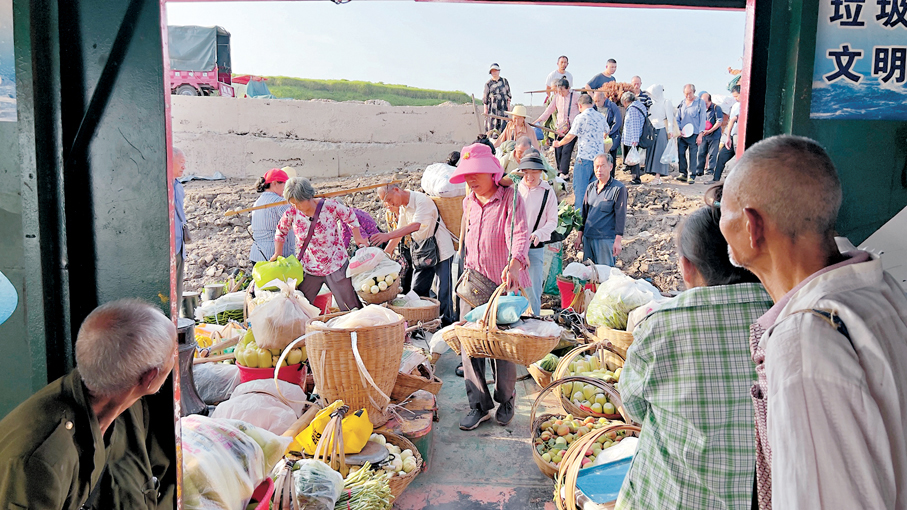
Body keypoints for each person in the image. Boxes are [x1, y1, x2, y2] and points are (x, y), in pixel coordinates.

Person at [719, 135, 907, 509]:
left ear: (752, 226)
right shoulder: (881, 289)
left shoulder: (803, 343)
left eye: (722, 210)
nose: (720, 223)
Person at [616, 199, 772, 510]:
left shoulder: (662, 323)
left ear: (687, 267)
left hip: (671, 498)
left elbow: (633, 406)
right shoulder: (783, 312)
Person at [0, 299, 178, 509]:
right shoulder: (41, 462)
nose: (175, 357)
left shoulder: (116, 403)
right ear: (150, 377)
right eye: (173, 353)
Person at [448, 142, 529, 431]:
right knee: (470, 345)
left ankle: (506, 400)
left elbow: (520, 233)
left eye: (477, 173)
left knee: (502, 348)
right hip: (473, 282)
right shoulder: (468, 201)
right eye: (467, 174)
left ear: (492, 173)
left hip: (503, 282)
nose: (470, 179)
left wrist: (516, 264)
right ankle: (479, 405)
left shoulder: (510, 197)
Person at [272, 177, 366, 311]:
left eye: (298, 203)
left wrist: (358, 237)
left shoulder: (329, 206)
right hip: (309, 268)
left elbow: (350, 216)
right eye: (293, 204)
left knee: (350, 308)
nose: (296, 207)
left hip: (335, 264)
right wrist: (278, 253)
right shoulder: (292, 212)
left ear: (308, 197)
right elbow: (280, 231)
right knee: (300, 307)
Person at [372, 184, 456, 325]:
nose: (388, 204)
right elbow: (399, 234)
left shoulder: (421, 200)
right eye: (385, 202)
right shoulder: (404, 207)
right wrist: (383, 257)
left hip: (440, 248)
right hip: (423, 251)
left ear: (397, 190)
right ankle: (426, 322)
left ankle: (447, 323)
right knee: (417, 289)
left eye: (389, 199)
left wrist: (387, 235)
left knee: (443, 290)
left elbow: (415, 225)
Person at [516, 152, 558, 316]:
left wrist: (539, 233)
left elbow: (552, 221)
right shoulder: (517, 189)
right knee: (514, 286)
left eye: (534, 173)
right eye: (526, 172)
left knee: (533, 288)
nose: (530, 176)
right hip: (516, 247)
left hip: (535, 247)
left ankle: (534, 320)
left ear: (541, 172)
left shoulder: (548, 192)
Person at [552, 93, 608, 210]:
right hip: (599, 160)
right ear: (592, 104)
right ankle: (594, 218)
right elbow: (606, 131)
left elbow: (570, 136)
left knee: (581, 191)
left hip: (584, 159)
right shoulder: (600, 116)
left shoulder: (580, 117)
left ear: (579, 106)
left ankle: (580, 221)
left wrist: (559, 143)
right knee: (595, 191)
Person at [574, 154, 626, 266]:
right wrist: (579, 236)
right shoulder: (590, 187)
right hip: (588, 238)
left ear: (610, 167)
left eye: (603, 166)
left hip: (605, 239)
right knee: (589, 274)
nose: (599, 170)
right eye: (596, 166)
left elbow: (620, 216)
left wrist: (618, 241)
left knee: (605, 275)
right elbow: (584, 213)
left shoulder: (618, 188)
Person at [534, 78, 580, 178]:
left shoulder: (575, 96)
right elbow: (549, 110)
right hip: (559, 128)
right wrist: (539, 120)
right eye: (559, 91)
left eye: (562, 91)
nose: (560, 93)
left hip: (572, 128)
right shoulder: (557, 97)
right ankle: (560, 171)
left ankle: (564, 173)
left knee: (566, 150)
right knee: (558, 149)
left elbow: (583, 107)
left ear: (568, 88)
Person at [250, 168, 295, 262]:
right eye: (285, 184)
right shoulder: (280, 202)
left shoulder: (257, 202)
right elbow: (297, 223)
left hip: (257, 256)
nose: (287, 189)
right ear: (274, 183)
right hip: (274, 258)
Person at [643, 85, 676, 185]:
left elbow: (670, 118)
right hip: (652, 130)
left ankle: (657, 177)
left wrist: (670, 131)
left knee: (659, 154)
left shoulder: (666, 102)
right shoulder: (651, 104)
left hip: (661, 130)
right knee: (652, 153)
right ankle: (655, 177)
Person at [676, 84, 707, 183]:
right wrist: (678, 129)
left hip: (694, 133)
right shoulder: (682, 103)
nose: (688, 95)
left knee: (693, 155)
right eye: (686, 93)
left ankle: (691, 175)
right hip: (682, 134)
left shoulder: (700, 103)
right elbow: (678, 118)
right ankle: (683, 173)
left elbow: (703, 119)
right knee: (681, 153)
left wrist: (700, 134)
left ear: (694, 92)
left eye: (690, 93)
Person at [713, 85, 741, 182]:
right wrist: (728, 137)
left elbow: (733, 120)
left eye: (737, 96)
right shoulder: (735, 106)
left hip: (739, 137)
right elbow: (730, 121)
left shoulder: (744, 106)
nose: (735, 98)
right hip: (733, 135)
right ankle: (716, 178)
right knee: (722, 156)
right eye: (734, 96)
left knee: (739, 160)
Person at [593, 91, 623, 176]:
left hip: (611, 136)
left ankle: (611, 177)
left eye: (598, 101)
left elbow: (617, 122)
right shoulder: (594, 108)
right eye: (595, 101)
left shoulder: (612, 106)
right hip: (598, 137)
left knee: (611, 158)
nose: (597, 103)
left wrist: (608, 133)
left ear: (604, 99)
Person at [621, 91, 647, 185]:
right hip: (633, 138)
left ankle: (636, 179)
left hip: (632, 139)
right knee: (633, 158)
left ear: (625, 101)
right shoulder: (639, 106)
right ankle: (634, 176)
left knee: (634, 159)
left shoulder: (633, 109)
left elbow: (635, 125)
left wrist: (635, 140)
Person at [172, 147, 187, 300]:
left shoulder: (178, 185)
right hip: (168, 248)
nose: (184, 166)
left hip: (180, 246)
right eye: (181, 162)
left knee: (177, 292)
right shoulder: (164, 185)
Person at [698, 92, 724, 175]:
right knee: (701, 153)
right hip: (704, 135)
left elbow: (719, 122)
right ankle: (699, 170)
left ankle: (710, 170)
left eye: (705, 103)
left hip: (714, 135)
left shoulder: (716, 108)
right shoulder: (701, 110)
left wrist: (710, 130)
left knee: (713, 154)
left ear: (710, 101)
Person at [483, 63, 511, 135]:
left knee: (503, 127)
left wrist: (508, 106)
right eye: (492, 71)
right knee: (492, 127)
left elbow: (508, 95)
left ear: (499, 71)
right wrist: (485, 109)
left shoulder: (504, 81)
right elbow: (485, 97)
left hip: (503, 107)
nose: (494, 72)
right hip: (493, 108)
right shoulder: (488, 83)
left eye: (495, 70)